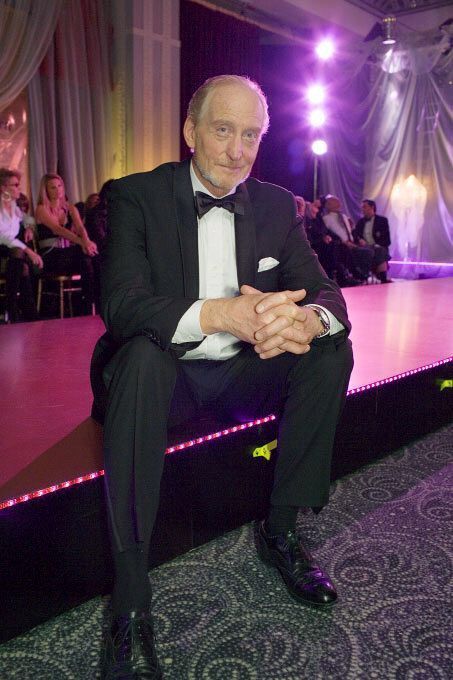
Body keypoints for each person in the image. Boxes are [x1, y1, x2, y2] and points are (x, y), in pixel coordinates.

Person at [91, 75, 353, 679]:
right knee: (138, 357)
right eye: (222, 130)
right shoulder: (136, 196)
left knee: (332, 351)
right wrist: (220, 313)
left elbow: (327, 293)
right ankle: (130, 595)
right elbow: (122, 305)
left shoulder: (272, 204)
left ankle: (282, 531)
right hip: (161, 379)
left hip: (238, 372)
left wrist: (309, 322)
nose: (238, 151)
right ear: (189, 132)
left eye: (252, 135)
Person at [35, 174, 98, 315]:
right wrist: (82, 242)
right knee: (85, 255)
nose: (58, 190)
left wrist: (87, 241)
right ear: (45, 190)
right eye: (53, 187)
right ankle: (88, 305)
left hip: (68, 253)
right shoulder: (41, 209)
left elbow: (81, 228)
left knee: (90, 257)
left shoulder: (70, 208)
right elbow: (58, 230)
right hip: (50, 255)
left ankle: (89, 304)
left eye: (60, 186)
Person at [0, 168, 43, 322]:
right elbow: (4, 237)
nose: (19, 188)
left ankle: (17, 311)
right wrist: (30, 251)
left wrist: (28, 228)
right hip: (3, 248)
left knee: (22, 265)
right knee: (19, 252)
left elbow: (28, 219)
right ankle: (17, 310)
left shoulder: (14, 207)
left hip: (11, 253)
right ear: (4, 188)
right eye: (15, 185)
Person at [322, 195, 373, 284]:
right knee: (366, 252)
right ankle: (359, 274)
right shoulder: (326, 219)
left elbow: (351, 231)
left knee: (370, 251)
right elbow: (329, 233)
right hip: (342, 244)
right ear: (329, 205)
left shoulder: (344, 217)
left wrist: (356, 237)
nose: (339, 204)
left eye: (339, 202)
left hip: (352, 243)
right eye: (336, 202)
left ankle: (362, 274)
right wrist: (344, 242)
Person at [354, 199, 391, 283]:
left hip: (377, 246)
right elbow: (356, 235)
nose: (362, 209)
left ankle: (380, 277)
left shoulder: (382, 221)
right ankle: (382, 278)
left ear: (372, 207)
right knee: (376, 252)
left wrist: (376, 245)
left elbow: (387, 240)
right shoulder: (360, 222)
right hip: (364, 247)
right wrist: (360, 240)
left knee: (380, 250)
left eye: (364, 207)